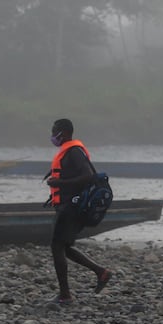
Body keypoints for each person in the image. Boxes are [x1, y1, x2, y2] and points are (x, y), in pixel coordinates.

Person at [44, 118, 111, 305]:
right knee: (65, 247)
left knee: (57, 246)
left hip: (71, 208)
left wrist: (59, 184)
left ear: (63, 133)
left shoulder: (74, 151)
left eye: (54, 131)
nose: (52, 136)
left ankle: (65, 295)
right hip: (66, 205)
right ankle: (101, 272)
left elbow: (87, 176)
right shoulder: (68, 152)